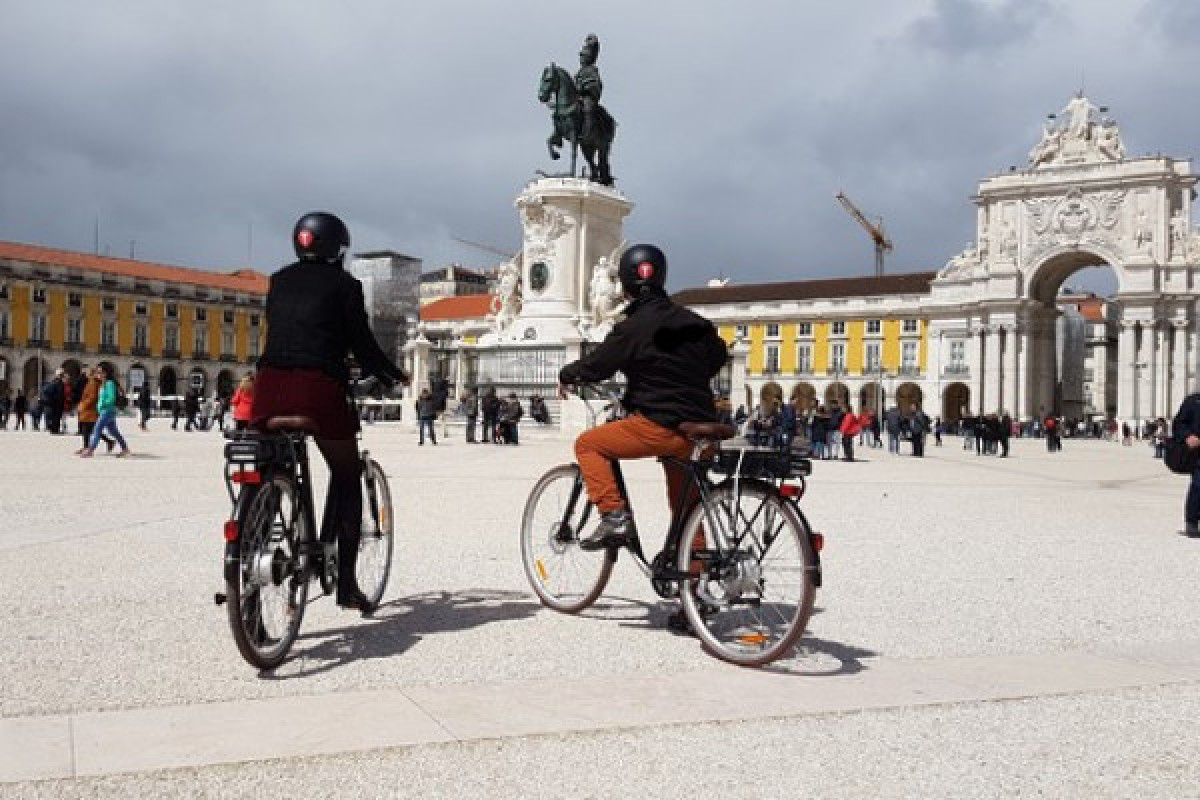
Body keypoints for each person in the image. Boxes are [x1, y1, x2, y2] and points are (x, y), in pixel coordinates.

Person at [251, 211, 408, 611]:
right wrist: (392, 374)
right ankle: (347, 585)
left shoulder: (278, 280)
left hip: (267, 389)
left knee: (269, 472)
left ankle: (250, 582)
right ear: (338, 248)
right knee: (347, 474)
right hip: (316, 391)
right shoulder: (345, 285)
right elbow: (362, 343)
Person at [557, 242, 728, 552]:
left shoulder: (632, 328)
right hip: (701, 426)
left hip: (661, 425)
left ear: (625, 285)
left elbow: (598, 366)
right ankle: (695, 569)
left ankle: (613, 516)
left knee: (588, 445)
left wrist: (567, 375)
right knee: (687, 504)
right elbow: (717, 358)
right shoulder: (697, 323)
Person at [79, 363, 130, 457]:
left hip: (107, 411)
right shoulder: (104, 383)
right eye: (97, 372)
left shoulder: (109, 383)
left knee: (97, 429)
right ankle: (125, 449)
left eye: (99, 372)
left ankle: (90, 450)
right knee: (114, 432)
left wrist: (101, 404)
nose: (97, 374)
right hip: (106, 411)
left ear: (105, 373)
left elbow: (111, 398)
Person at [76, 365, 115, 455]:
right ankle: (108, 442)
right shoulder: (91, 381)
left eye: (85, 372)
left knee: (89, 429)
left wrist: (83, 405)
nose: (84, 373)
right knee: (91, 429)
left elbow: (92, 397)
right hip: (89, 409)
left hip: (90, 409)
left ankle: (88, 448)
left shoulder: (93, 382)